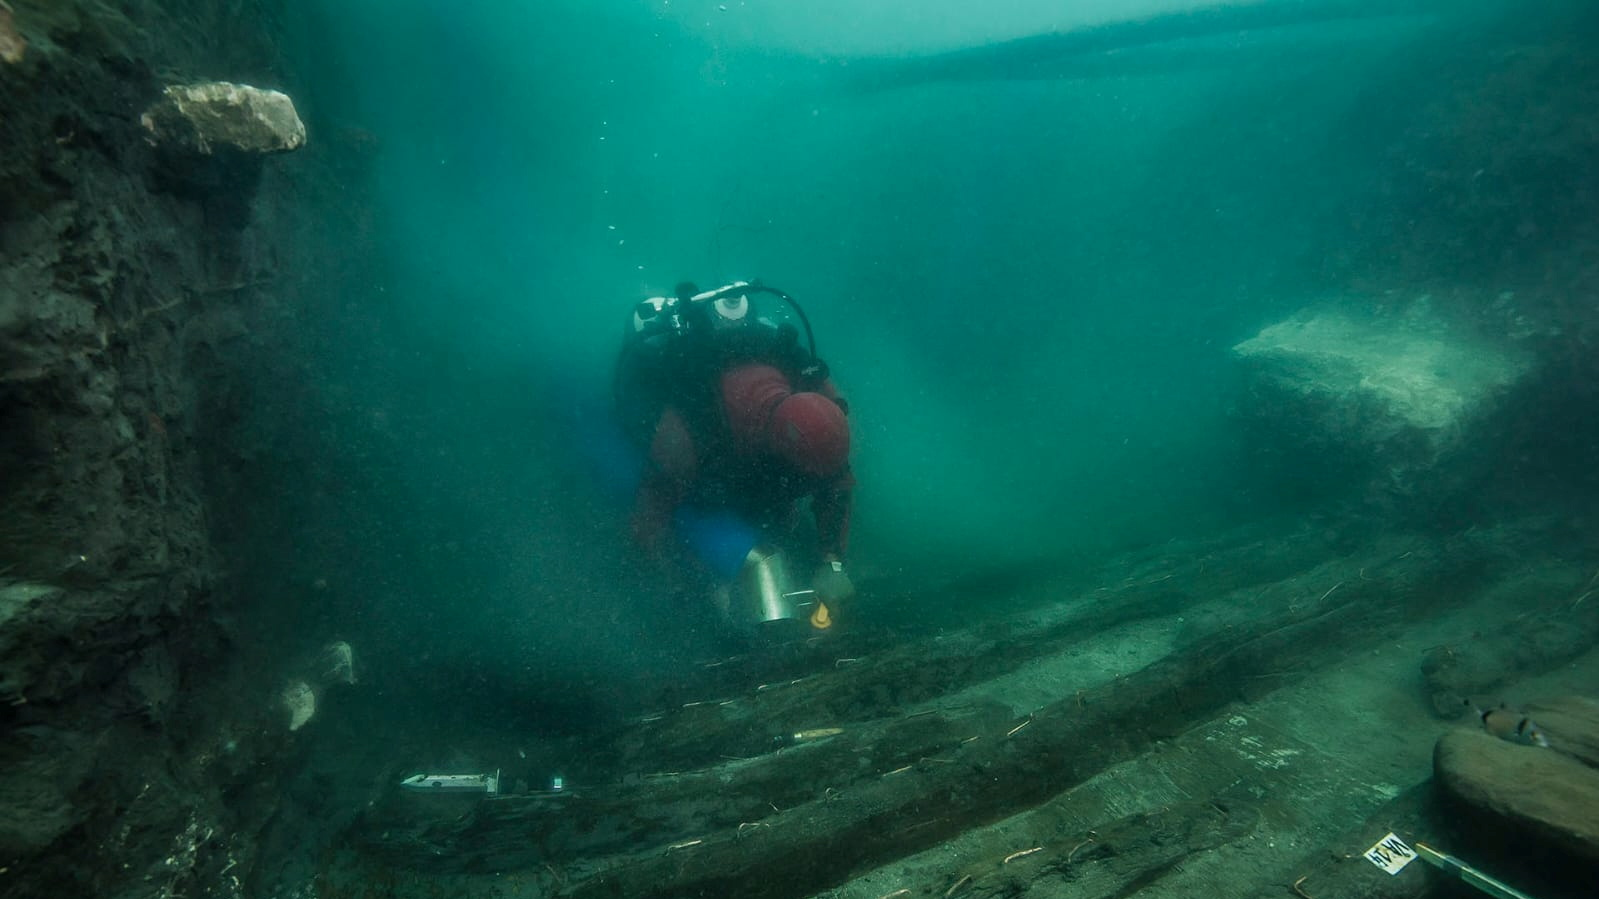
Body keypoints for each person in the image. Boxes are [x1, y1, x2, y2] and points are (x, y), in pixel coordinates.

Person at [614, 281, 856, 633]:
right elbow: (649, 521)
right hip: (709, 476)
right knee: (710, 506)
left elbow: (837, 480)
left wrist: (832, 562)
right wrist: (673, 585)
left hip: (747, 467)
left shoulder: (817, 396)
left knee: (776, 516)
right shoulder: (689, 427)